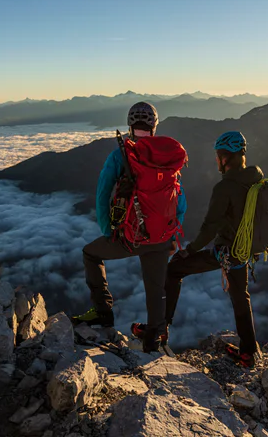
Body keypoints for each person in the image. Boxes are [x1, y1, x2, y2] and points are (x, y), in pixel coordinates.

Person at [132, 130, 263, 367]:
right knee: (240, 296)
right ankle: (248, 352)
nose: (216, 160)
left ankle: (160, 329)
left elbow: (210, 227)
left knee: (174, 269)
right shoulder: (256, 179)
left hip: (226, 252)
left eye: (218, 156)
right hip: (244, 251)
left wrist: (189, 250)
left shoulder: (226, 187)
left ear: (226, 157)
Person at [72, 102, 187, 352]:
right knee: (155, 289)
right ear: (154, 126)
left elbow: (103, 192)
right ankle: (153, 339)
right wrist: (172, 235)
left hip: (131, 237)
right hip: (162, 238)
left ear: (130, 126)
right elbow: (180, 201)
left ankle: (103, 313)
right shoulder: (166, 157)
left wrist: (107, 230)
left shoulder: (121, 154)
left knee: (91, 254)